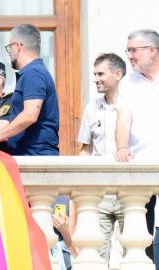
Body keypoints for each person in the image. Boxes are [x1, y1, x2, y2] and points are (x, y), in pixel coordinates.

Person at [0, 23, 59, 156]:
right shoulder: (32, 72)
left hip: (35, 157)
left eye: (9, 48)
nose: (9, 54)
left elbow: (30, 115)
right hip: (29, 156)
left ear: (18, 46)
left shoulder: (33, 73)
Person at [115, 29, 159, 265]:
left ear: (152, 50)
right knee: (142, 233)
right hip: (141, 165)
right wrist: (121, 147)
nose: (129, 56)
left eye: (134, 50)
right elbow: (123, 117)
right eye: (128, 50)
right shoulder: (127, 83)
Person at [78, 53, 126, 262]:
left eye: (101, 74)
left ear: (118, 74)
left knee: (134, 254)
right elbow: (85, 149)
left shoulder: (132, 105)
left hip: (129, 189)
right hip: (100, 191)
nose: (96, 78)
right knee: (96, 255)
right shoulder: (92, 107)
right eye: (94, 74)